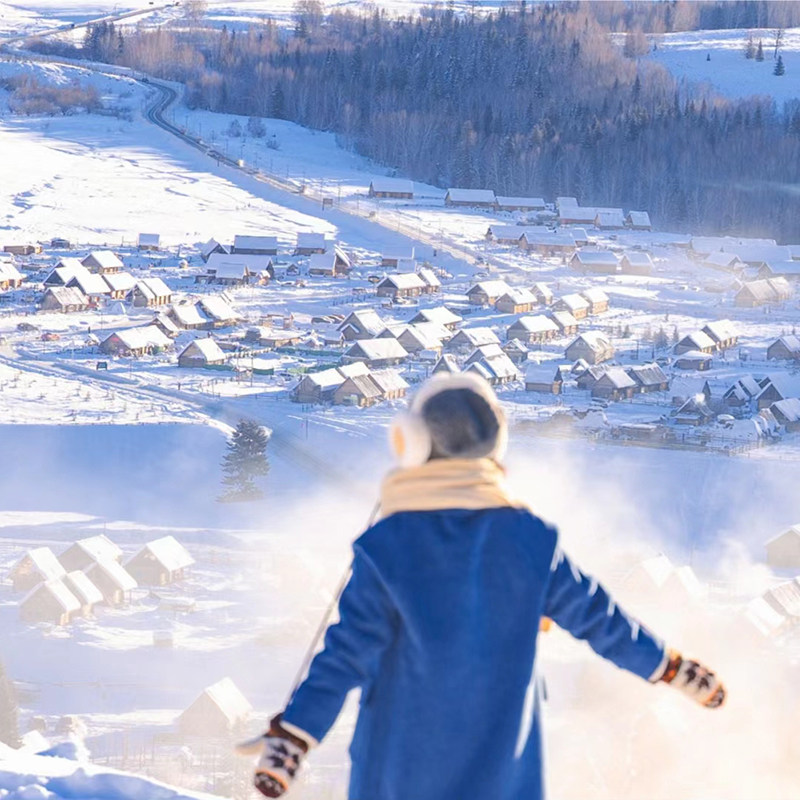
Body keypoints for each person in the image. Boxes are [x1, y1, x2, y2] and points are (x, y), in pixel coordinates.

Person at [238, 373, 725, 799]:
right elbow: (600, 620)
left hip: (399, 767)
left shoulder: (389, 546)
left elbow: (346, 654)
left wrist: (294, 737)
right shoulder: (529, 541)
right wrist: (669, 667)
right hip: (501, 772)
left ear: (411, 443)